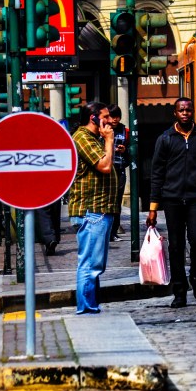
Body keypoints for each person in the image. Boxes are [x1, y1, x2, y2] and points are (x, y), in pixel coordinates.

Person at [147, 97, 196, 309]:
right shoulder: (165, 139)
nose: (185, 113)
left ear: (193, 112)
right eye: (181, 110)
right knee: (176, 246)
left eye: (188, 110)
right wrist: (153, 209)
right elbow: (157, 174)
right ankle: (179, 291)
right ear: (175, 113)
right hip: (172, 201)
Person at [69, 102, 118, 314]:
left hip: (100, 209)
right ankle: (86, 307)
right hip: (92, 209)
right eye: (106, 117)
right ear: (93, 118)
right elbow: (105, 166)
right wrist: (109, 140)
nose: (110, 121)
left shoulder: (93, 138)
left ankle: (91, 304)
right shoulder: (82, 138)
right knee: (90, 264)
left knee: (95, 264)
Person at [107, 104, 131, 242]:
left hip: (120, 168)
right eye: (112, 116)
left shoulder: (125, 131)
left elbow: (131, 151)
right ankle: (107, 231)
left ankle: (114, 231)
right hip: (106, 170)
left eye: (117, 116)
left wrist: (124, 150)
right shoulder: (104, 129)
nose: (114, 119)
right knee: (108, 202)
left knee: (116, 203)